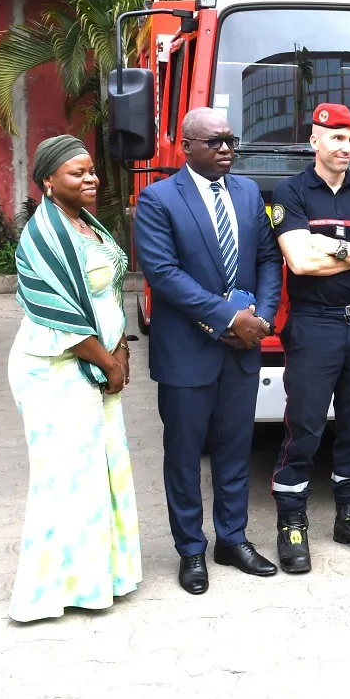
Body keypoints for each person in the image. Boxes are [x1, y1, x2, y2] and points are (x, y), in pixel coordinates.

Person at [133, 107, 283, 595]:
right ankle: (191, 550)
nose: (226, 149)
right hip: (187, 352)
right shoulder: (158, 200)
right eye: (214, 141)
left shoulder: (246, 192)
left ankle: (232, 539)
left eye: (230, 140)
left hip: (242, 348)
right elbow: (163, 273)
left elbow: (266, 259)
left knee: (235, 449)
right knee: (183, 454)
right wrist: (224, 319)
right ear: (186, 145)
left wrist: (260, 318)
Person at [7, 134, 140, 622]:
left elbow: (109, 298)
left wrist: (122, 350)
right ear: (48, 181)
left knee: (102, 472)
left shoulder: (83, 223)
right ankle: (47, 593)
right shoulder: (42, 236)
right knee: (64, 478)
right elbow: (60, 316)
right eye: (76, 173)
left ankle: (99, 579)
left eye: (90, 170)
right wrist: (109, 364)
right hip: (54, 369)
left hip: (98, 362)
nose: (90, 178)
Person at [271, 103, 350, 572]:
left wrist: (327, 244)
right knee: (303, 426)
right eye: (336, 138)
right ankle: (291, 522)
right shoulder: (291, 190)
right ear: (315, 141)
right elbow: (299, 263)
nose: (346, 147)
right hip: (313, 322)